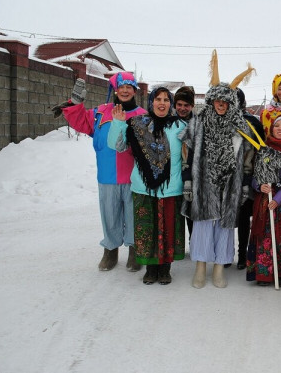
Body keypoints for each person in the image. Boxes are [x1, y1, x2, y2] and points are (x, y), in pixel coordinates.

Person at [56, 72, 147, 271]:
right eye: (121, 87)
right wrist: (75, 104)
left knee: (134, 215)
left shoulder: (142, 115)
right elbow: (82, 122)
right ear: (115, 89)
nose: (125, 91)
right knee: (109, 214)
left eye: (129, 87)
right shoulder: (101, 112)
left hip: (134, 177)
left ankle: (135, 250)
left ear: (134, 91)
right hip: (107, 175)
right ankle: (110, 250)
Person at [180, 50, 255, 289]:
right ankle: (201, 266)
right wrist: (188, 181)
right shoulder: (198, 123)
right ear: (211, 101)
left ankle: (220, 267)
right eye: (217, 101)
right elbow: (186, 154)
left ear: (231, 103)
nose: (221, 105)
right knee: (202, 224)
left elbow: (248, 158)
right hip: (203, 183)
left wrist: (244, 185)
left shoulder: (240, 126)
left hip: (230, 184)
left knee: (224, 226)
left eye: (226, 101)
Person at [107, 87, 186, 284]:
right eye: (158, 99)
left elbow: (192, 153)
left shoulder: (180, 126)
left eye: (166, 100)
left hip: (171, 188)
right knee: (146, 230)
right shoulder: (136, 124)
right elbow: (117, 145)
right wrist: (118, 123)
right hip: (144, 188)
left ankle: (165, 269)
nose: (162, 103)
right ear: (151, 102)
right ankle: (150, 269)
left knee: (168, 230)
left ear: (170, 104)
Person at [247, 115, 281, 286]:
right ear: (271, 128)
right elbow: (254, 175)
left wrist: (278, 198)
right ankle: (263, 273)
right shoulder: (263, 148)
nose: (280, 129)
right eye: (277, 125)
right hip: (264, 200)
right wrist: (259, 185)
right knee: (264, 235)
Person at [236, 88, 265, 270]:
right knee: (231, 217)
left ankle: (244, 255)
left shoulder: (252, 121)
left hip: (250, 174)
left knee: (245, 216)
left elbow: (262, 147)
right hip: (230, 177)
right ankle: (228, 253)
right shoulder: (222, 121)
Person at [173, 86, 195, 249]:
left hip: (192, 175)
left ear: (192, 106)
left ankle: (194, 243)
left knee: (191, 212)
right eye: (179, 104)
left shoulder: (197, 124)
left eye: (186, 105)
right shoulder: (169, 122)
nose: (182, 108)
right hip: (173, 175)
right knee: (175, 212)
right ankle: (176, 246)